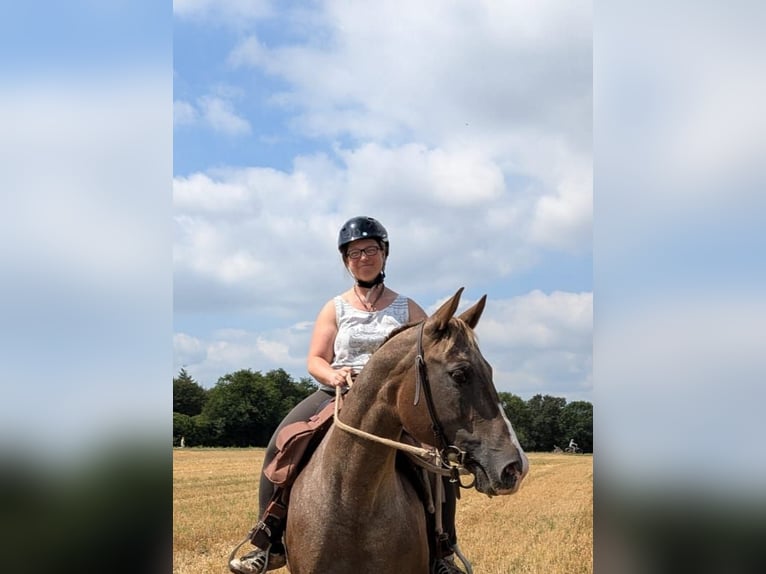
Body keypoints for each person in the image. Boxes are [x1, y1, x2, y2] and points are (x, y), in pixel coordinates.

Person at [229, 216, 466, 574]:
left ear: (384, 254)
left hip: (392, 402)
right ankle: (268, 541)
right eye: (354, 253)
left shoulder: (408, 309)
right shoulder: (335, 307)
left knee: (437, 461)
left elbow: (427, 356)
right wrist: (335, 373)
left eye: (370, 249)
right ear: (346, 261)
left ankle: (442, 551)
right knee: (282, 441)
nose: (363, 257)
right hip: (337, 390)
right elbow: (315, 359)